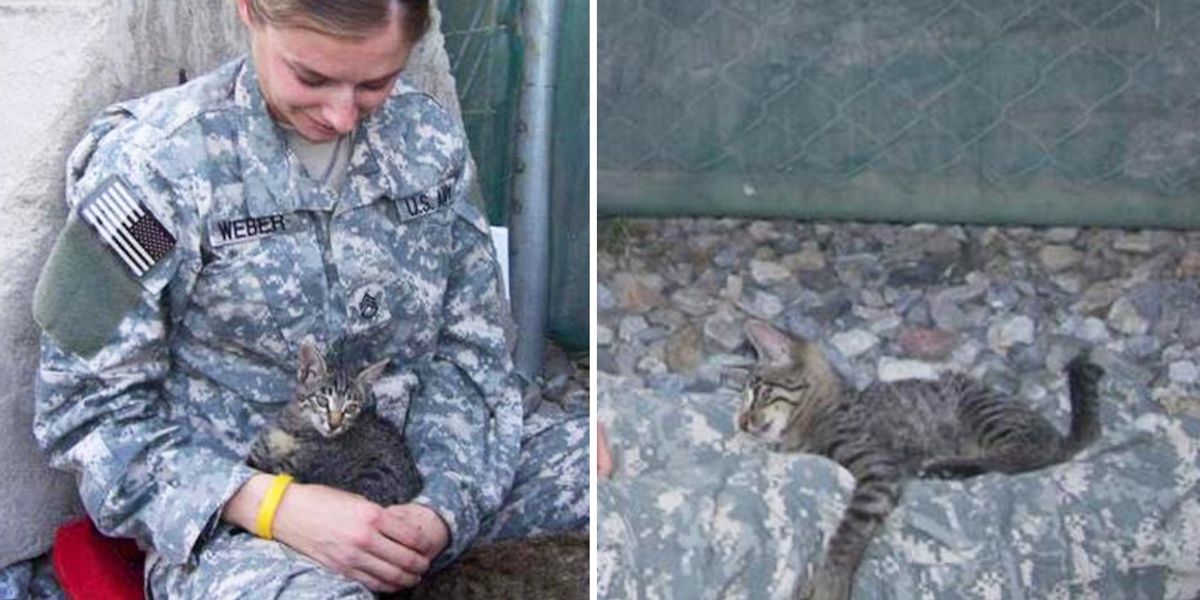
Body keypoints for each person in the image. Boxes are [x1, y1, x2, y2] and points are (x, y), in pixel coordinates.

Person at [31, 0, 588, 597]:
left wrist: (441, 506)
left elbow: (470, 353)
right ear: (249, 10)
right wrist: (273, 507)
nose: (343, 115)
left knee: (638, 474)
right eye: (311, 77)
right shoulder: (157, 171)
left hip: (424, 463)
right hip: (247, 522)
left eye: (377, 82)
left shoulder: (427, 143)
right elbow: (86, 415)